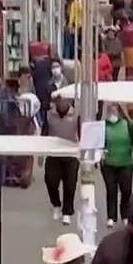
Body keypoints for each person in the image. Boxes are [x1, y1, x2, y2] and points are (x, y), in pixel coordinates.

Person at [100, 103, 133, 227]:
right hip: (108, 164)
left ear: (119, 112)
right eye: (109, 111)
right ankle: (111, 216)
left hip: (125, 163)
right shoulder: (103, 127)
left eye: (114, 110)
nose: (111, 113)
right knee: (111, 190)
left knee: (126, 190)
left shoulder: (128, 125)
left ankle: (125, 215)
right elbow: (98, 142)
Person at [44, 96, 80, 224]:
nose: (62, 104)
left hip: (71, 154)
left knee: (70, 185)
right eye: (60, 101)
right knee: (51, 181)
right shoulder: (49, 115)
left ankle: (67, 212)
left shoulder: (76, 115)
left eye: (65, 101)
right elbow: (44, 133)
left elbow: (82, 133)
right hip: (54, 154)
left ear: (69, 102)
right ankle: (56, 204)